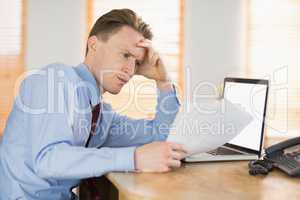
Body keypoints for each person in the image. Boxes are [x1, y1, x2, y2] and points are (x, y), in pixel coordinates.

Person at [0, 9, 188, 200]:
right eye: (125, 55)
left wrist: (163, 82)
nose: (130, 70)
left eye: (137, 62)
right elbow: (48, 160)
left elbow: (162, 134)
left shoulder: (101, 116)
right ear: (93, 45)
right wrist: (135, 158)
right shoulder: (56, 80)